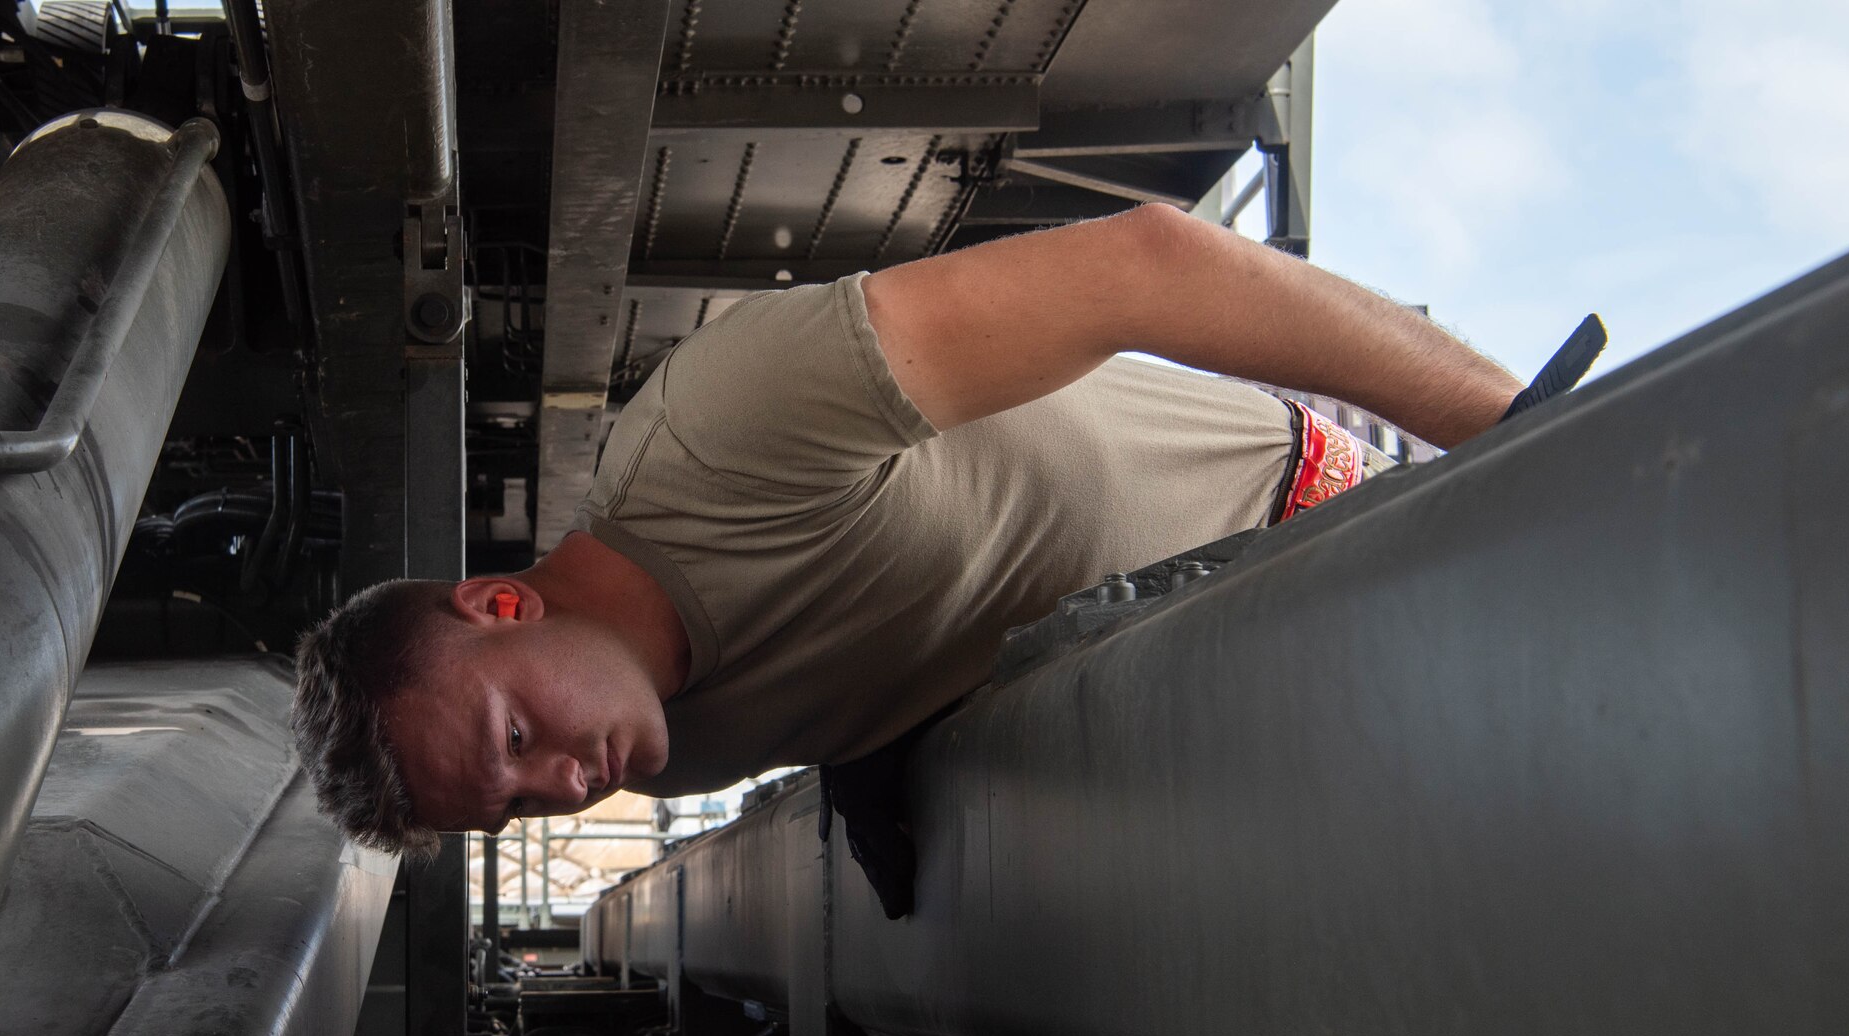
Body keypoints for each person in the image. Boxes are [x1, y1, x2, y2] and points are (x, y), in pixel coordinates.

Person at [292, 204, 1523, 854]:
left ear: (502, 605)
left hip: (1336, 526)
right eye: (516, 808)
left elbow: (1151, 265)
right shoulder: (686, 747)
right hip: (1241, 709)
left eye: (515, 733)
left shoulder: (715, 436)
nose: (566, 785)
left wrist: (1544, 442)